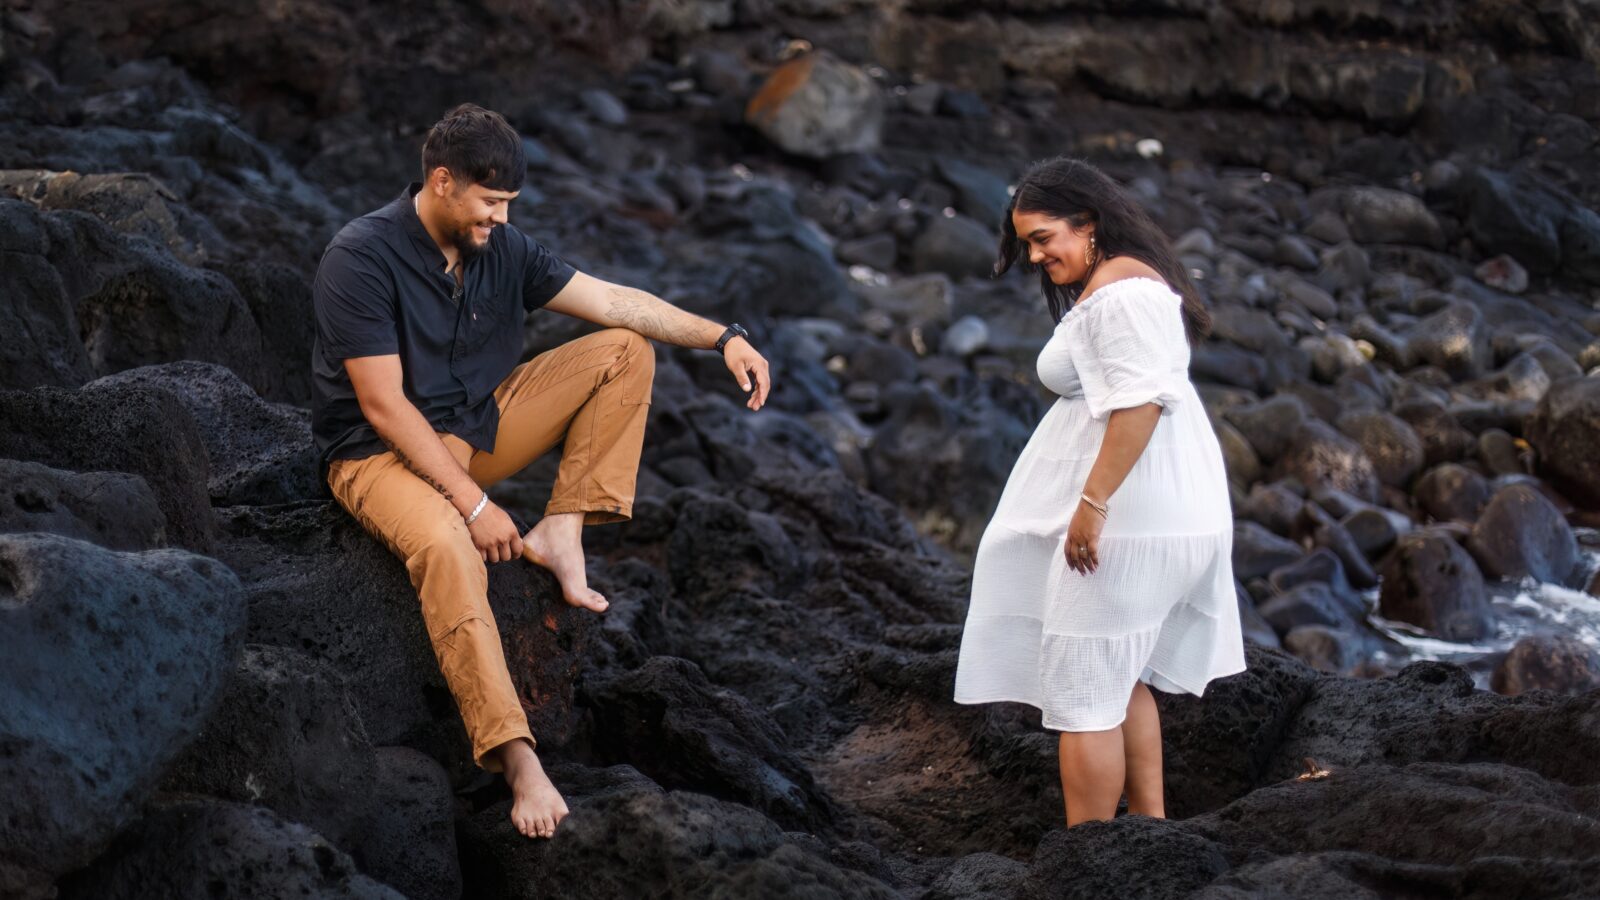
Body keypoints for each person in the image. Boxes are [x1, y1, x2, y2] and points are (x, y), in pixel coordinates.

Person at [311, 103, 771, 840]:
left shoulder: (503, 250)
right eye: (490, 202)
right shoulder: (360, 256)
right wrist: (472, 506)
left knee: (624, 349)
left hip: (472, 430)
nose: (499, 218)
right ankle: (517, 756)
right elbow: (383, 406)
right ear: (441, 181)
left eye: (508, 206)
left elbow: (619, 303)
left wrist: (725, 338)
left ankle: (563, 528)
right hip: (376, 456)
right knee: (445, 547)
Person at [953, 156, 1245, 827]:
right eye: (1025, 242)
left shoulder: (1121, 294)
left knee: (1084, 694)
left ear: (1089, 224)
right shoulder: (1129, 286)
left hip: (1130, 523)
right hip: (1151, 515)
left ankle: (1092, 856)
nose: (1033, 256)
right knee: (1118, 679)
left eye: (1043, 237)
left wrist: (1092, 506)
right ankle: (1148, 835)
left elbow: (1139, 406)